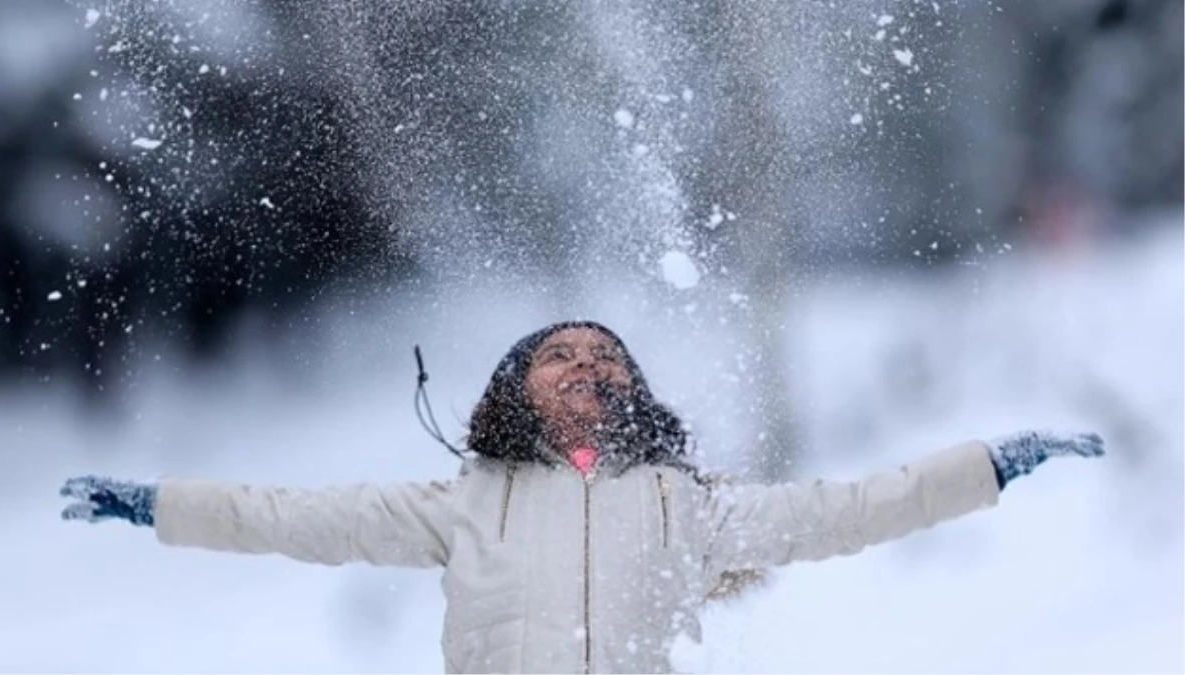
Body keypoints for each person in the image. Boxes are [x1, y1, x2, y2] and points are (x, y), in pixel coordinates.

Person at [60, 320, 1105, 674]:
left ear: (634, 392)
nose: (584, 366)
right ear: (515, 389)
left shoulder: (686, 507)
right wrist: (156, 504)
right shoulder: (463, 502)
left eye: (607, 356)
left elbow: (852, 507)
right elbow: (287, 517)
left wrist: (990, 466)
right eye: (557, 354)